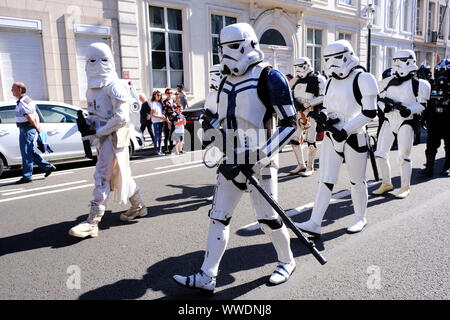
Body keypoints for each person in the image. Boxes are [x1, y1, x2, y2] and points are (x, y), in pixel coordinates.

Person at [173, 23, 298, 293]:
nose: (224, 55)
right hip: (229, 158)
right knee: (218, 216)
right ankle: (207, 275)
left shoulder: (270, 77)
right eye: (222, 49)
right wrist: (207, 132)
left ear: (247, 44)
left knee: (267, 218)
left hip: (260, 160)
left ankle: (287, 261)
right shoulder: (223, 79)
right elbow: (209, 117)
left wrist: (260, 154)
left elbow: (290, 123)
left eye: (229, 47)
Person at [296, 40, 379, 236]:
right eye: (328, 59)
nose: (332, 63)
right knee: (325, 179)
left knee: (357, 181)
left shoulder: (364, 78)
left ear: (347, 55)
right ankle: (315, 222)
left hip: (355, 136)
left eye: (336, 58)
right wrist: (322, 115)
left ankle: (360, 217)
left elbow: (369, 112)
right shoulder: (331, 80)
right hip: (333, 137)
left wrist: (347, 129)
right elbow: (329, 105)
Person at [68, 42, 146, 238]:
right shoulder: (92, 87)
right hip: (102, 137)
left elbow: (122, 118)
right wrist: (89, 123)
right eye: (91, 60)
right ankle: (138, 206)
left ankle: (93, 222)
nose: (96, 65)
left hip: (113, 137)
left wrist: (101, 131)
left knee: (102, 175)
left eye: (100, 60)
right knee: (120, 174)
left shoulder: (115, 85)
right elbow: (97, 112)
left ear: (108, 61)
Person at [372, 50, 431, 199]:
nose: (397, 64)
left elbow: (422, 104)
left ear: (410, 61)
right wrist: (383, 107)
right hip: (389, 119)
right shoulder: (387, 81)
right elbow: (379, 98)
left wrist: (409, 110)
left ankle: (405, 186)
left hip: (406, 121)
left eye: (401, 60)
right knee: (380, 154)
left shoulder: (419, 84)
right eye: (396, 60)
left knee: (404, 156)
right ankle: (386, 182)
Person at [288, 57, 326, 176]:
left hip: (312, 113)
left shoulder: (319, 79)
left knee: (311, 141)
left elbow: (324, 96)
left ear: (305, 66)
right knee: (294, 139)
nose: (297, 70)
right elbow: (288, 92)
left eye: (299, 67)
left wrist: (308, 104)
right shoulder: (296, 80)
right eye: (296, 67)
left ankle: (310, 166)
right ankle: (300, 164)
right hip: (299, 113)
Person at [12, 82, 56, 184]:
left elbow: (29, 116)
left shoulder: (22, 102)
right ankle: (48, 167)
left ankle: (27, 176)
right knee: (29, 151)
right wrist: (36, 126)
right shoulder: (29, 100)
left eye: (13, 89)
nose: (11, 91)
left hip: (26, 129)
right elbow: (35, 114)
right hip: (28, 128)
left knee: (26, 153)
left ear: (19, 90)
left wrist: (36, 127)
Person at [419, 59, 450, 177]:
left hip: (448, 121)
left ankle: (446, 167)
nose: (441, 75)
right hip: (435, 120)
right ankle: (429, 168)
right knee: (431, 145)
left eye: (444, 72)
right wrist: (423, 119)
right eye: (439, 72)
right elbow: (428, 104)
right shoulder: (431, 86)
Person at [150, 90, 165, 156]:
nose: (159, 96)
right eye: (158, 95)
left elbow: (160, 113)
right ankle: (156, 150)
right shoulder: (154, 103)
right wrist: (160, 117)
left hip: (160, 121)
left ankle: (159, 149)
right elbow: (152, 114)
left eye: (160, 95)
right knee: (157, 136)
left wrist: (162, 116)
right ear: (154, 96)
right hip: (156, 122)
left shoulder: (159, 103)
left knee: (160, 136)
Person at [162, 88, 176, 154]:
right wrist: (168, 123)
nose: (169, 94)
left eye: (170, 92)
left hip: (174, 120)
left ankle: (171, 148)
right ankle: (166, 149)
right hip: (168, 120)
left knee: (172, 135)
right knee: (167, 135)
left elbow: (176, 110)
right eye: (168, 93)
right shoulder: (164, 102)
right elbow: (164, 114)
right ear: (165, 94)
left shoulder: (174, 101)